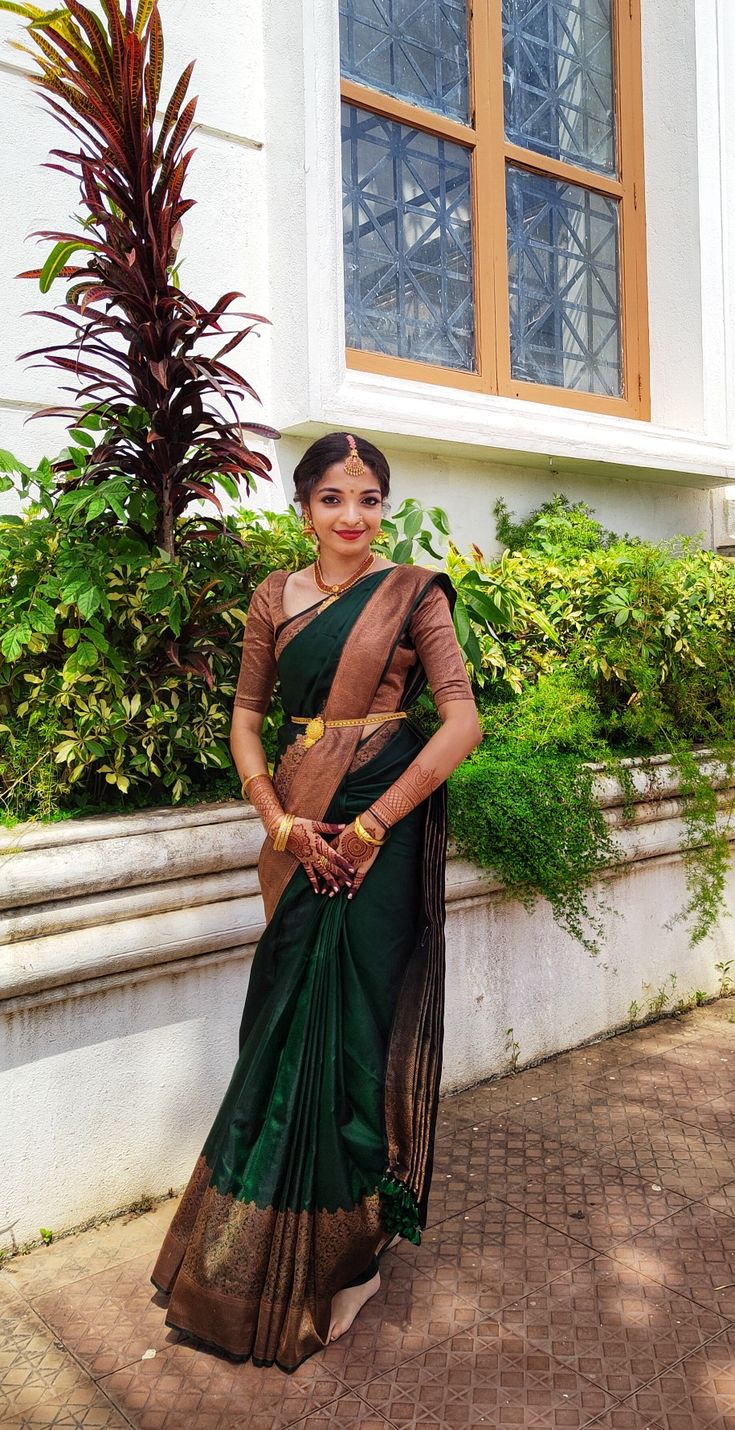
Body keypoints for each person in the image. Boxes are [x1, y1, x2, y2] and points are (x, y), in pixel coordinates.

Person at [150, 432, 482, 1372]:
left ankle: (350, 1260)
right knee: (281, 1028)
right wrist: (281, 823)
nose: (352, 517)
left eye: (368, 499)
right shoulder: (272, 597)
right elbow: (246, 717)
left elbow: (460, 719)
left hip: (380, 823)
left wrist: (371, 826)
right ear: (304, 508)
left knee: (354, 1033)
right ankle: (255, 1255)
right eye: (333, 498)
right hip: (296, 823)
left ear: (384, 507)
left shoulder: (413, 594)